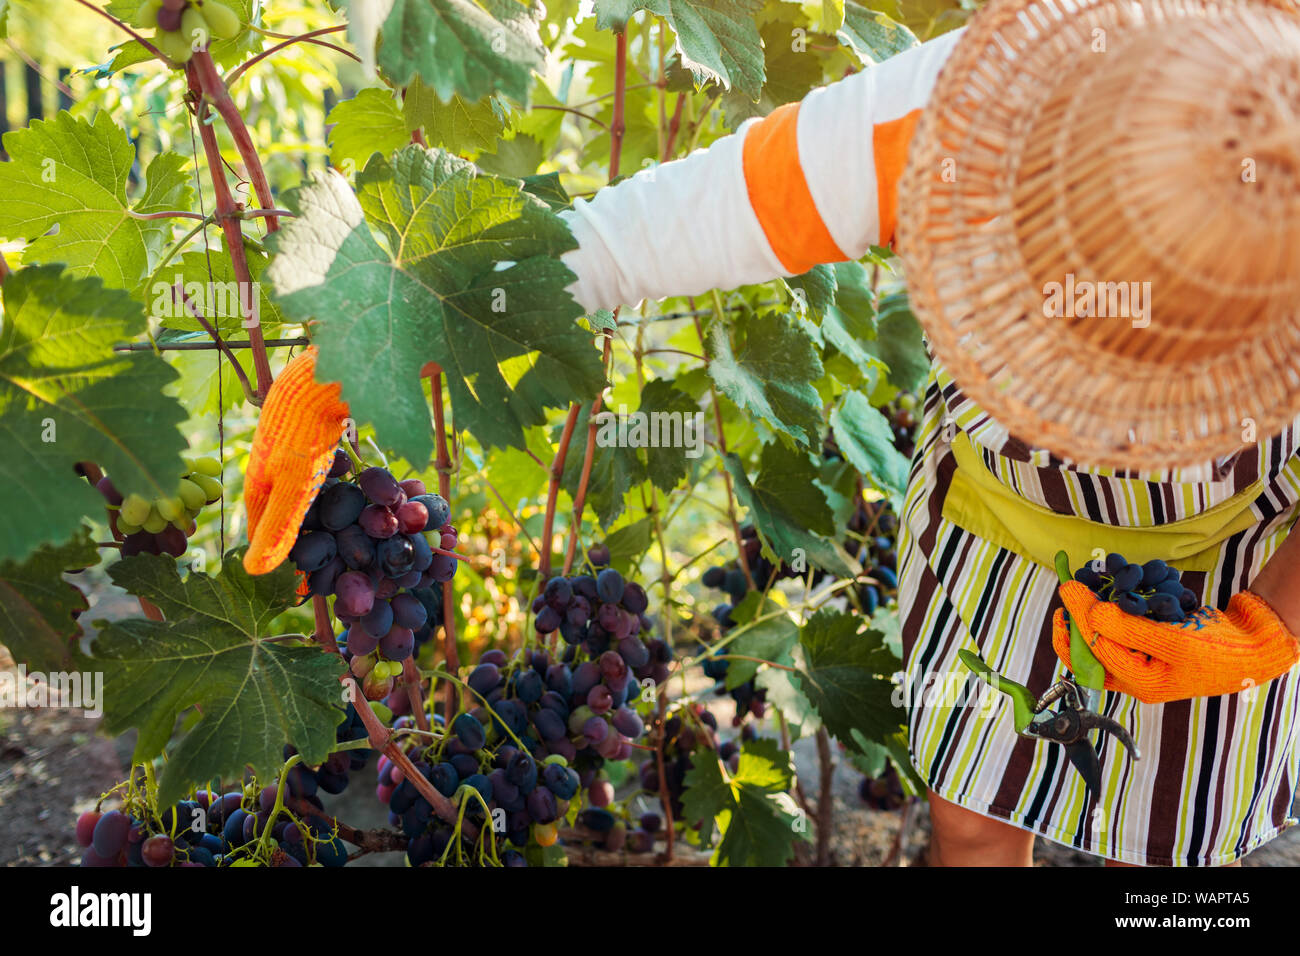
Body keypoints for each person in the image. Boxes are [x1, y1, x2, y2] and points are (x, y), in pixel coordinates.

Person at [245, 0, 1300, 866]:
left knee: (1165, 843)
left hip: (1231, 544)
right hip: (996, 523)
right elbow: (635, 238)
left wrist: (1268, 627)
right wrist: (362, 352)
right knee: (976, 814)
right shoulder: (960, 111)